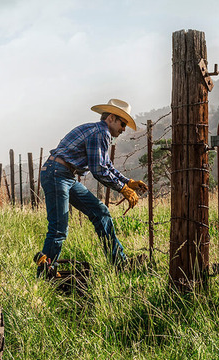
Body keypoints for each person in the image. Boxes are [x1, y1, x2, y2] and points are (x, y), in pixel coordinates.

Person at [36, 98, 147, 276]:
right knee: (58, 228)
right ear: (111, 118)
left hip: (63, 174)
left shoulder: (98, 131)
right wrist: (122, 189)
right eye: (123, 123)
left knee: (100, 211)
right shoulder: (100, 133)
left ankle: (120, 263)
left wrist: (127, 182)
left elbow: (106, 166)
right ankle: (45, 273)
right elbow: (99, 170)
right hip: (57, 174)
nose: (124, 128)